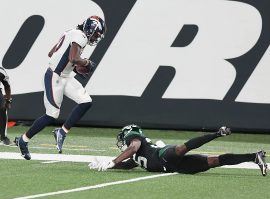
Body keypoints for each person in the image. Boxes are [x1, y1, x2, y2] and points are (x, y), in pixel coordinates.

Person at [15, 16, 106, 160]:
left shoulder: (71, 32)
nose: (95, 37)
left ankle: (62, 132)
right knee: (51, 115)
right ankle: (23, 140)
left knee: (86, 101)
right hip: (55, 77)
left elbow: (52, 53)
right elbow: (73, 58)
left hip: (65, 75)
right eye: (95, 34)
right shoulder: (80, 36)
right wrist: (86, 62)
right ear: (90, 29)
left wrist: (73, 68)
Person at [89, 124, 268, 176]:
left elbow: (134, 146)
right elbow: (129, 164)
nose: (123, 141)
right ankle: (255, 156)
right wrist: (110, 165)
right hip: (176, 167)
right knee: (213, 161)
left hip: (162, 155)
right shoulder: (135, 157)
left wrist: (113, 160)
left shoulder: (133, 139)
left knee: (183, 147)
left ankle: (217, 133)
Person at [0, 67, 12, 145]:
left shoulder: (1, 71)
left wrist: (8, 101)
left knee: (2, 107)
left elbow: (7, 86)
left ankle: (3, 136)